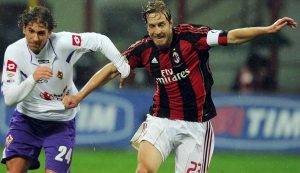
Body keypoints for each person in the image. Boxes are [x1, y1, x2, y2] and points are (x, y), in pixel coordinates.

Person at [62, 0, 297, 173]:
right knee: (144, 170)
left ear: (170, 22)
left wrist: (267, 29)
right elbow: (112, 68)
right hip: (161, 120)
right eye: (152, 26)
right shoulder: (144, 49)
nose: (157, 31)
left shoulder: (193, 37)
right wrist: (80, 95)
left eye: (161, 24)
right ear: (147, 27)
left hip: (197, 125)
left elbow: (231, 36)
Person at [0, 6, 129, 173]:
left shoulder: (64, 43)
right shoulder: (14, 52)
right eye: (30, 31)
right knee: (14, 170)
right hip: (26, 121)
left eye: (41, 32)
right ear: (24, 28)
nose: (35, 38)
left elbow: (100, 40)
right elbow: (9, 99)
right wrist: (33, 78)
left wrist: (123, 66)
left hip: (60, 123)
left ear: (50, 32)